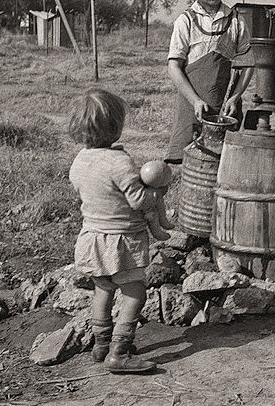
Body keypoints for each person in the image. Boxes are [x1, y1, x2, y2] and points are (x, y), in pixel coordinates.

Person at [68, 88, 162, 373]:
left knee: (103, 290)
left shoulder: (80, 160)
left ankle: (101, 344)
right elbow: (138, 200)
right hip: (122, 241)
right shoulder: (120, 163)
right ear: (116, 128)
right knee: (135, 294)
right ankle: (119, 352)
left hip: (93, 237)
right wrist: (157, 192)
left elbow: (81, 188)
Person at [166, 0, 252, 163]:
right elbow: (174, 66)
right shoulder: (185, 21)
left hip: (225, 106)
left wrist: (235, 97)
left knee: (223, 162)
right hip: (193, 105)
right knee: (191, 160)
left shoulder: (236, 21)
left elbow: (249, 63)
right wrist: (194, 100)